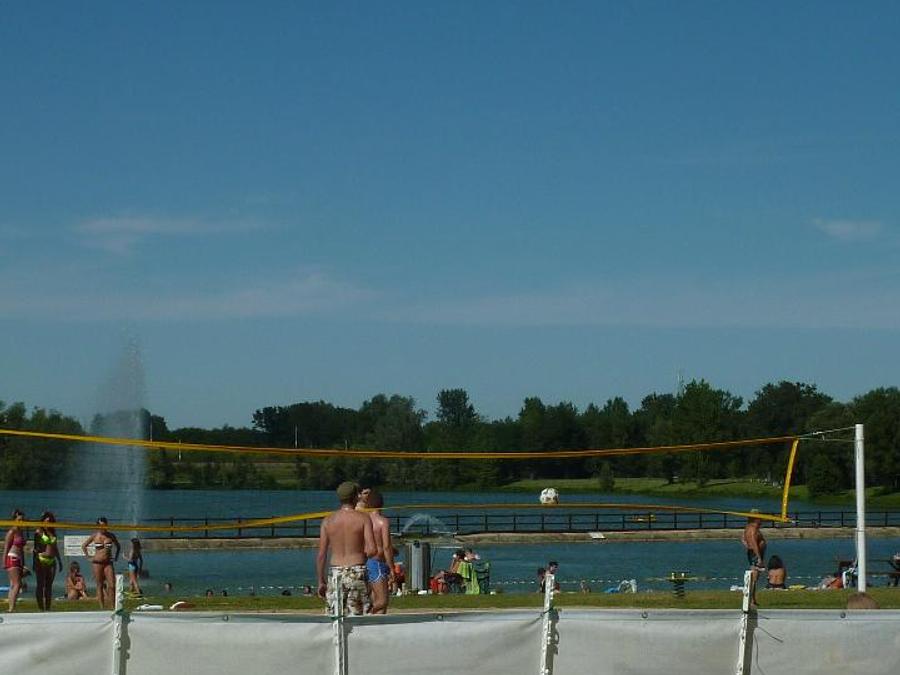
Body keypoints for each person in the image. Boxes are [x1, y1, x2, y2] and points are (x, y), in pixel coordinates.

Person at [316, 481, 376, 616]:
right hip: (357, 569)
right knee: (359, 616)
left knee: (335, 616)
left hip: (335, 572)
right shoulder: (363, 519)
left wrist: (320, 580)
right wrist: (361, 553)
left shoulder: (328, 520)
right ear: (355, 497)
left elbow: (321, 554)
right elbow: (372, 550)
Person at [364, 489, 395, 614]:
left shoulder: (365, 520)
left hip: (368, 561)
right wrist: (392, 568)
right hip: (377, 562)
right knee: (382, 601)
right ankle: (364, 613)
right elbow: (386, 546)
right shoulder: (383, 522)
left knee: (377, 601)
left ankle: (372, 621)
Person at [81, 517, 121, 609]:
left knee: (112, 585)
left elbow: (118, 546)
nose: (103, 527)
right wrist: (88, 557)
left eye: (105, 525)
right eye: (101, 526)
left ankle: (112, 605)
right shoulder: (95, 535)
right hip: (97, 562)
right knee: (100, 585)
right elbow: (84, 546)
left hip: (108, 563)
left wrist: (116, 557)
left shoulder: (111, 535)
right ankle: (101, 607)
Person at [33, 511, 63, 610]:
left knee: (49, 586)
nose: (48, 523)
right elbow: (36, 547)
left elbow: (55, 547)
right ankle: (40, 607)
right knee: (40, 585)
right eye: (46, 521)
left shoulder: (53, 532)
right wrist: (36, 558)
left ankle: (48, 607)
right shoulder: (39, 531)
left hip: (51, 561)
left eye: (50, 521)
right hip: (41, 560)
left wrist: (59, 561)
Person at [741, 513, 767, 608]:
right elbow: (754, 543)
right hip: (755, 554)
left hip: (753, 553)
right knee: (754, 578)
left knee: (755, 578)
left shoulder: (748, 528)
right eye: (760, 518)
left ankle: (753, 599)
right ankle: (751, 600)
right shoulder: (753, 529)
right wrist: (758, 557)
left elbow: (743, 539)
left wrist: (747, 546)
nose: (762, 520)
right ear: (756, 519)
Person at [4, 508, 26, 612]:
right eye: (19, 520)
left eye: (22, 520)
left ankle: (11, 607)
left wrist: (23, 562)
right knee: (17, 584)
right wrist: (4, 561)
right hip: (12, 557)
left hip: (18, 558)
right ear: (15, 519)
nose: (21, 522)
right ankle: (11, 608)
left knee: (13, 584)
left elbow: (22, 549)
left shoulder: (21, 531)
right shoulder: (12, 531)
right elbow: (6, 547)